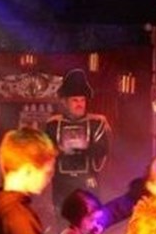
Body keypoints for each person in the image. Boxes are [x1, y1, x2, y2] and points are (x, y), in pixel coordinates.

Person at [45, 68, 111, 211]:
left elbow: (102, 150)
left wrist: (81, 150)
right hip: (62, 184)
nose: (79, 104)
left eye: (82, 100)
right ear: (65, 102)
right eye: (75, 100)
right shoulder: (53, 124)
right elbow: (46, 151)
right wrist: (60, 151)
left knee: (89, 217)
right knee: (62, 219)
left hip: (88, 183)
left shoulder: (96, 123)